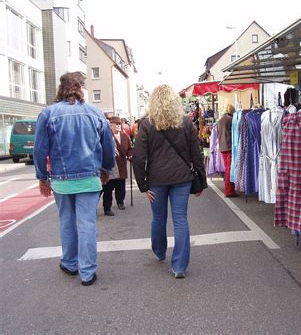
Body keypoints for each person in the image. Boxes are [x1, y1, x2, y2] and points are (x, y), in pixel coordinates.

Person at [34, 71, 115, 286]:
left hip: (61, 179)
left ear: (61, 89)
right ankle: (87, 272)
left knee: (66, 221)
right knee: (87, 223)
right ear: (80, 89)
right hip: (89, 177)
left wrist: (43, 177)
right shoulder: (95, 113)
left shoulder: (48, 114)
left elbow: (40, 150)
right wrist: (106, 169)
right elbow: (108, 147)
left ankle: (70, 264)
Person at [133, 84, 207, 279]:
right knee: (180, 219)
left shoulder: (147, 124)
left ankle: (159, 251)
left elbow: (139, 157)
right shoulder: (185, 123)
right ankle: (179, 266)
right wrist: (202, 181)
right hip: (182, 178)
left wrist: (142, 185)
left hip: (156, 179)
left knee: (158, 218)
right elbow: (195, 154)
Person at [102, 116, 133, 216]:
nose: (119, 126)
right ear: (111, 125)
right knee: (108, 188)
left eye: (119, 124)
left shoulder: (125, 136)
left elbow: (129, 148)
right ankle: (107, 207)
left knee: (121, 185)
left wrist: (130, 154)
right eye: (116, 124)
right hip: (111, 165)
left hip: (121, 164)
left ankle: (120, 202)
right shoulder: (107, 136)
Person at [218, 104, 236, 197]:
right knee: (230, 169)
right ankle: (229, 191)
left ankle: (229, 189)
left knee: (227, 168)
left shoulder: (221, 119)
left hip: (222, 147)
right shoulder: (231, 119)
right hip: (229, 146)